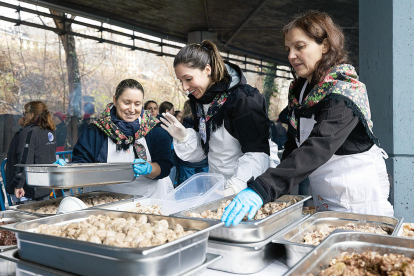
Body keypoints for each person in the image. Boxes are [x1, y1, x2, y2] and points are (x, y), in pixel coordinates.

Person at [222, 10, 394, 226]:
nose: (291, 56)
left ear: (325, 45)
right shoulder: (301, 91)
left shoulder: (344, 90)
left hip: (359, 198)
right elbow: (295, 146)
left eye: (300, 46)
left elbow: (318, 146)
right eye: (288, 49)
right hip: (326, 195)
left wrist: (264, 188)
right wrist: (267, 186)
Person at [161, 40, 279, 195]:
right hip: (219, 185)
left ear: (207, 69)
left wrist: (236, 186)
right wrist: (185, 137)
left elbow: (258, 153)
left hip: (250, 186)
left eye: (188, 79)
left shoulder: (243, 99)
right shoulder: (200, 102)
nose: (184, 88)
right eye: (181, 81)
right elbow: (208, 151)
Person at [62, 79, 174, 198]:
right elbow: (81, 163)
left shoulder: (155, 130)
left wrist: (149, 168)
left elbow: (164, 165)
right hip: (103, 202)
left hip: (148, 200)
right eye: (126, 102)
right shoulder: (96, 131)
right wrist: (68, 170)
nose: (132, 109)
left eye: (137, 104)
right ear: (115, 100)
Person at [5, 101, 56, 202]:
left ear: (32, 114)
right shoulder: (50, 131)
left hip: (28, 189)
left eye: (25, 113)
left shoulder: (30, 132)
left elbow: (24, 159)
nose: (24, 115)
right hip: (45, 185)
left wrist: (18, 185)